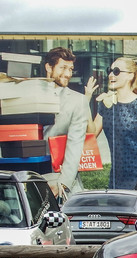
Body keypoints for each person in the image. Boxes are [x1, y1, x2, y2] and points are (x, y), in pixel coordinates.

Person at [86, 57, 137, 189]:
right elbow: (91, 134)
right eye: (110, 70)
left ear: (130, 76)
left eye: (117, 71)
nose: (111, 75)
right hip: (116, 176)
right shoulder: (106, 104)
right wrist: (85, 101)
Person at [42, 47, 89, 197]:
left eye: (71, 69)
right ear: (49, 67)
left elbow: (75, 143)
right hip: (24, 176)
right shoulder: (29, 94)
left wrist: (63, 183)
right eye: (63, 68)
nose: (68, 74)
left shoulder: (78, 101)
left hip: (58, 178)